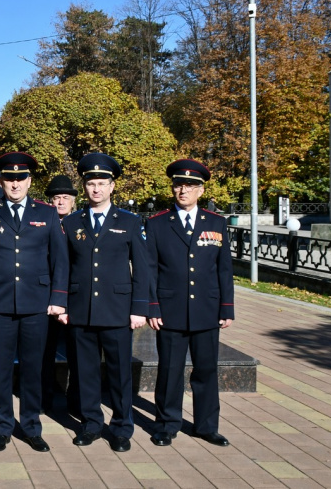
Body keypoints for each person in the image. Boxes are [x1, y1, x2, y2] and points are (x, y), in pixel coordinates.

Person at [0, 152, 67, 453]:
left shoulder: (47, 213)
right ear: (1, 182)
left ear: (29, 181)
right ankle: (2, 426)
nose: (15, 183)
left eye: (20, 178)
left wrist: (58, 299)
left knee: (33, 367)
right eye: (9, 178)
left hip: (37, 304)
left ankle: (32, 426)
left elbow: (60, 261)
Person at [59, 154, 152, 452]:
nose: (96, 189)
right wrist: (61, 305)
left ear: (112, 187)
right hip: (80, 310)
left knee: (119, 373)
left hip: (117, 311)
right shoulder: (72, 222)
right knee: (84, 371)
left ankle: (122, 426)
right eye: (90, 184)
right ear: (84, 187)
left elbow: (142, 267)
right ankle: (91, 424)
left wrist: (140, 308)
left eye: (101, 184)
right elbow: (64, 266)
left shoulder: (130, 221)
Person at [146, 158, 234, 448]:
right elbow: (151, 269)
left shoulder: (217, 222)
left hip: (207, 310)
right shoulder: (158, 223)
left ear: (201, 190)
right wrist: (153, 306)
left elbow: (223, 269)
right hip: (170, 311)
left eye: (190, 186)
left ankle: (207, 426)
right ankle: (166, 425)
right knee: (169, 370)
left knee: (206, 370)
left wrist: (226, 307)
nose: (183, 191)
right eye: (178, 185)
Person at [41, 174, 78, 413]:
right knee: (45, 351)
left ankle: (76, 400)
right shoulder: (42, 223)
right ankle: (45, 398)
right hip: (47, 298)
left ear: (74, 200)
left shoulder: (82, 223)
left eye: (65, 197)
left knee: (78, 353)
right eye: (56, 197)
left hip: (76, 298)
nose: (61, 202)